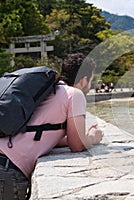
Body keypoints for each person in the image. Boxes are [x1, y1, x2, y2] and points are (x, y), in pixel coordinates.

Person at [0, 53, 104, 199]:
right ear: (84, 80)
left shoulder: (47, 91)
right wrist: (92, 137)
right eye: (91, 81)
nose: (90, 85)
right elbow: (77, 145)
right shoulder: (74, 94)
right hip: (8, 170)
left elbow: (42, 131)